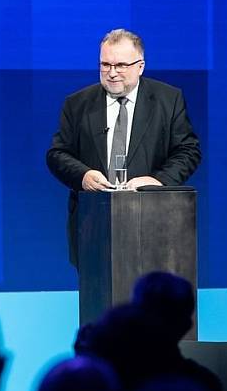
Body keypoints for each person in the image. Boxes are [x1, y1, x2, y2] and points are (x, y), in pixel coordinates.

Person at [46, 28, 200, 265]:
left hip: (153, 220)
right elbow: (57, 154)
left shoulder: (168, 100)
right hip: (93, 222)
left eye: (120, 65)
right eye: (105, 65)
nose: (112, 73)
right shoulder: (77, 104)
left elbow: (188, 150)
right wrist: (83, 176)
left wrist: (157, 181)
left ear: (140, 66)